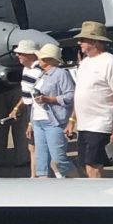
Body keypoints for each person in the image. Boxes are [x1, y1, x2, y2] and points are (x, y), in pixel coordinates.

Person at [68, 20, 113, 178]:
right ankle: (94, 196)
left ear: (94, 42)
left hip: (100, 124)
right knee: (86, 164)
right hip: (84, 125)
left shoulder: (110, 61)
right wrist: (72, 120)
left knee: (94, 165)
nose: (79, 42)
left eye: (84, 39)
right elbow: (79, 93)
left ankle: (98, 199)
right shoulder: (85, 63)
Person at [29, 43, 76, 179]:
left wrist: (50, 99)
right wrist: (31, 123)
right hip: (38, 121)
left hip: (54, 122)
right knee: (41, 161)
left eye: (42, 58)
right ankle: (44, 190)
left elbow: (70, 95)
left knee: (59, 159)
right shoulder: (41, 74)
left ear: (49, 59)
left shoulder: (61, 74)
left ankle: (78, 182)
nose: (39, 60)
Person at [4, 40, 42, 173]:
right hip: (29, 109)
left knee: (36, 146)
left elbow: (36, 97)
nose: (18, 56)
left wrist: (31, 122)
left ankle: (39, 175)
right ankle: (34, 176)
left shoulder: (38, 71)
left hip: (36, 110)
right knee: (32, 146)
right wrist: (16, 108)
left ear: (31, 55)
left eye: (21, 53)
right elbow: (27, 93)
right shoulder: (26, 69)